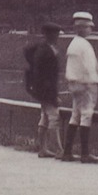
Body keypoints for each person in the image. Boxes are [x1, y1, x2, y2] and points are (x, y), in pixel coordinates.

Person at [61, 11, 98, 163]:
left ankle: (67, 151)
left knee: (75, 115)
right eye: (89, 27)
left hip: (74, 84)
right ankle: (85, 153)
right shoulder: (85, 45)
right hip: (86, 84)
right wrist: (94, 82)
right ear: (83, 28)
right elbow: (89, 68)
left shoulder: (73, 44)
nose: (90, 30)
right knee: (86, 115)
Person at [23, 21, 64, 158]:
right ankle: (59, 150)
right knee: (54, 118)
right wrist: (53, 95)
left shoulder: (41, 48)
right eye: (55, 34)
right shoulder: (46, 51)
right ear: (49, 35)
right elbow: (46, 77)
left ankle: (43, 149)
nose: (57, 36)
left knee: (45, 117)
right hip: (46, 90)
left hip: (40, 90)